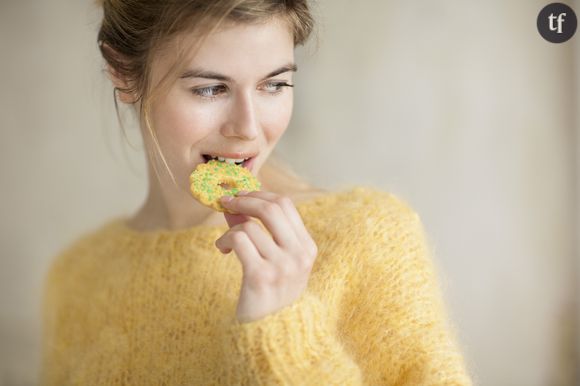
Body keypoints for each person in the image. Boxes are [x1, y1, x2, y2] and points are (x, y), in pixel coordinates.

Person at [40, 1, 474, 385]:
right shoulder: (78, 274)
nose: (248, 127)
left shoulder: (369, 238)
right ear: (122, 72)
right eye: (210, 88)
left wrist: (279, 332)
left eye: (274, 84)